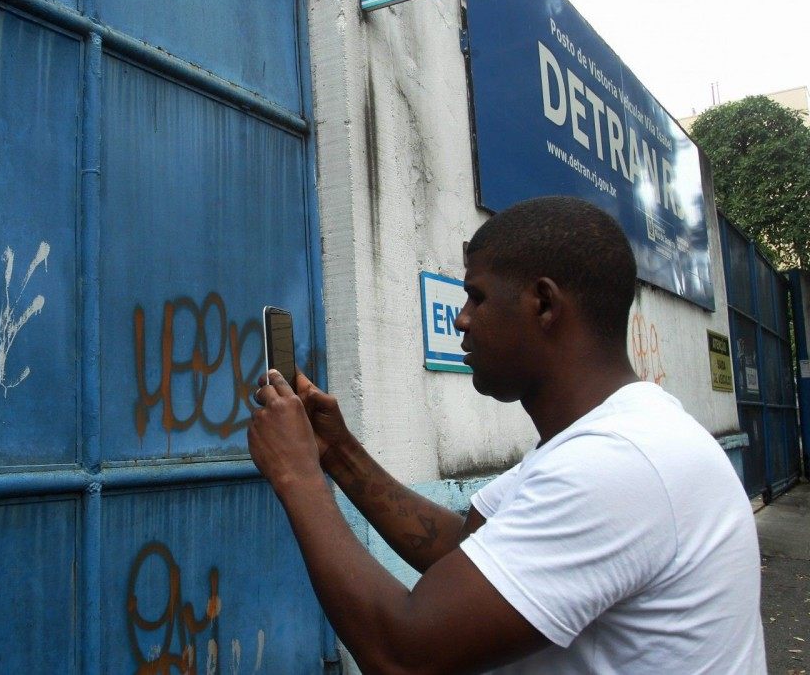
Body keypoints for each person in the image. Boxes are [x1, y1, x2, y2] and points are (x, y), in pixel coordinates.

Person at [248, 196, 765, 673]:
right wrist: (336, 451)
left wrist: (297, 475)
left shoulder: (619, 466)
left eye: (476, 296)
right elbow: (463, 551)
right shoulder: (613, 436)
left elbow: (401, 653)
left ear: (543, 303)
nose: (461, 319)